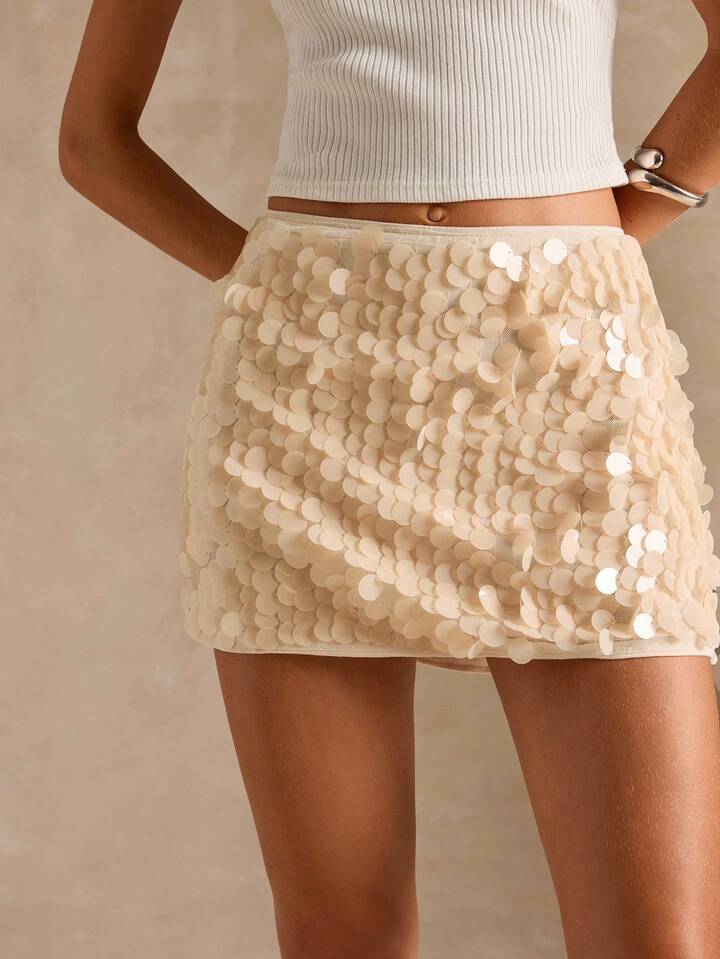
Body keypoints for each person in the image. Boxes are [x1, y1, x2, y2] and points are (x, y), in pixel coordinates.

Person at [59, 2, 720, 956]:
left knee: (658, 941)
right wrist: (273, 285)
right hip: (308, 397)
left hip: (573, 382)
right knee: (347, 934)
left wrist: (612, 232)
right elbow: (93, 140)